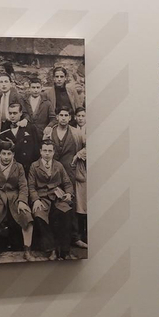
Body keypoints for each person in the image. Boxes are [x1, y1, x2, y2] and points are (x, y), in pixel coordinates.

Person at [0, 141, 32, 258]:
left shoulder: (18, 167)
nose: (6, 157)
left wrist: (22, 201)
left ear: (13, 154)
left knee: (27, 216)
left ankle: (27, 249)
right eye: (3, 153)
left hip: (15, 198)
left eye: (9, 154)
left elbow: (23, 186)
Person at [28, 139, 76, 260]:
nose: (47, 153)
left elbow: (67, 183)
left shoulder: (58, 165)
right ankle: (52, 249)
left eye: (50, 151)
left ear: (54, 152)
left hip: (57, 197)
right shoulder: (34, 166)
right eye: (45, 150)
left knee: (67, 213)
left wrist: (69, 194)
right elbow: (31, 187)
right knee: (39, 216)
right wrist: (36, 200)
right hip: (42, 198)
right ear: (40, 151)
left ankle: (65, 251)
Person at [0, 101, 41, 168]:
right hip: (11, 167)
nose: (12, 116)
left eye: (15, 113)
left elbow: (37, 148)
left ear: (20, 113)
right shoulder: (5, 128)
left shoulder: (30, 128)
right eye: (10, 113)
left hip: (27, 166)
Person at [70, 106, 88, 248]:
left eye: (83, 116)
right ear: (75, 117)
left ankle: (85, 234)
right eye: (79, 116)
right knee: (78, 202)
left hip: (85, 167)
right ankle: (77, 235)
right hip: (75, 169)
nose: (81, 118)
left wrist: (79, 154)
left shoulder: (88, 129)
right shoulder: (73, 130)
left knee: (85, 201)